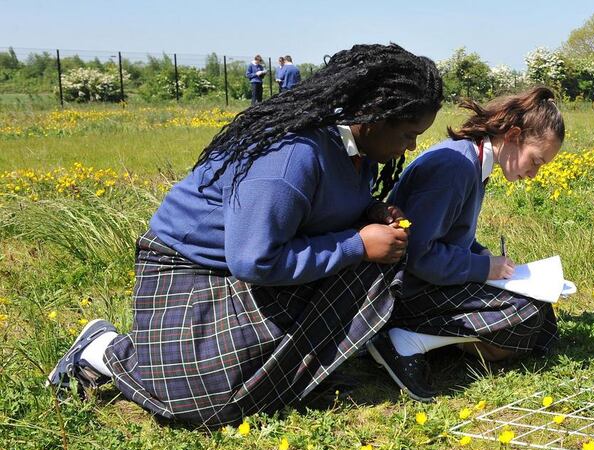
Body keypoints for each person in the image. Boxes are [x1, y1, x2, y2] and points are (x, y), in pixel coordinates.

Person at [47, 44, 444, 428]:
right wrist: (357, 244)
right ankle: (104, 349)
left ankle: (275, 367)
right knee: (205, 402)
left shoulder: (357, 150)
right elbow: (254, 260)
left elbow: (321, 206)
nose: (411, 147)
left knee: (372, 266)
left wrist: (370, 212)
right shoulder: (291, 155)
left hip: (248, 267)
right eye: (408, 134)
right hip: (190, 267)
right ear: (373, 116)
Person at [368, 86, 565, 402]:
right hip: (403, 293)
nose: (534, 173)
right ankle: (403, 340)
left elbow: (450, 235)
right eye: (536, 161)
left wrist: (480, 253)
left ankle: (437, 338)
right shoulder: (456, 167)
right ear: (513, 136)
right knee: (525, 311)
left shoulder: (471, 162)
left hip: (428, 283)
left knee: (539, 312)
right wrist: (484, 267)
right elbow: (419, 255)